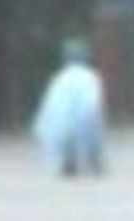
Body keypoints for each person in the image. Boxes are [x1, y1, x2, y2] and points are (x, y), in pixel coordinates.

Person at [31, 39, 106, 178]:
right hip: (82, 123)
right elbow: (92, 106)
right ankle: (94, 161)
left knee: (67, 134)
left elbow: (49, 107)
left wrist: (41, 127)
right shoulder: (90, 77)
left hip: (58, 127)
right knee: (93, 128)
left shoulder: (59, 78)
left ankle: (70, 162)